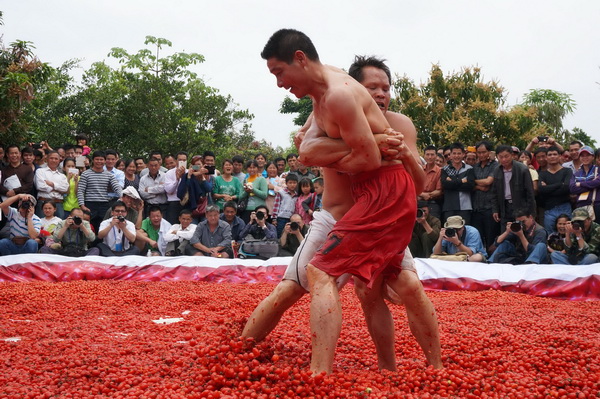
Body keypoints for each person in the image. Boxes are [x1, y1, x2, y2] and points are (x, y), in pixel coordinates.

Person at [261, 36, 435, 374]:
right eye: (372, 88)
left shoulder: (400, 126)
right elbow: (307, 150)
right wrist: (343, 145)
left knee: (406, 287)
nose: (381, 94)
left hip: (383, 213)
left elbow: (419, 184)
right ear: (357, 89)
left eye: (386, 87)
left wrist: (401, 155)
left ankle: (425, 366)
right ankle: (243, 346)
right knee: (295, 288)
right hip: (337, 217)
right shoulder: (332, 107)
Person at [77, 150, 122, 232]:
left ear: (104, 161)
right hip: (89, 204)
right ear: (93, 160)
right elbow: (80, 190)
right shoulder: (85, 174)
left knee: (103, 227)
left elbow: (117, 187)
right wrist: (82, 205)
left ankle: (101, 244)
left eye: (101, 159)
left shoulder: (109, 175)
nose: (99, 161)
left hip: (104, 205)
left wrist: (122, 197)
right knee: (88, 227)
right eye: (97, 159)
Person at [491, 145, 536, 227]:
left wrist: (531, 213)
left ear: (512, 155)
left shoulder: (522, 169)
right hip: (504, 207)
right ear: (497, 157)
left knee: (521, 232)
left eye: (506, 156)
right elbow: (494, 192)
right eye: (501, 157)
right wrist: (495, 210)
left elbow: (530, 192)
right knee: (506, 233)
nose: (504, 159)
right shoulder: (497, 170)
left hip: (521, 206)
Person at [471, 140, 499, 252]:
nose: (481, 155)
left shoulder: (495, 165)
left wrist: (474, 182)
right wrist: (478, 185)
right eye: (479, 152)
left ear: (489, 152)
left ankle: (492, 262)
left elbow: (488, 182)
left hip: (490, 208)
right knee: (477, 239)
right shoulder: (474, 167)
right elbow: (469, 185)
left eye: (484, 152)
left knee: (491, 238)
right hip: (476, 208)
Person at [538, 146, 573, 233]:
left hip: (565, 207)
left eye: (555, 154)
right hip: (549, 209)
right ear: (546, 157)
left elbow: (566, 188)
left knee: (569, 234)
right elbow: (542, 190)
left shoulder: (567, 171)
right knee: (550, 237)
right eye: (550, 155)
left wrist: (548, 187)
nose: (552, 156)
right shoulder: (542, 174)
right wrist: (560, 184)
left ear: (560, 156)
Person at [440, 142, 475, 224]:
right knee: (450, 232)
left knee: (465, 231)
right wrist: (462, 181)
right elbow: (445, 185)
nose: (456, 156)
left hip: (465, 207)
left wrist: (452, 182)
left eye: (459, 153)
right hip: (449, 206)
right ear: (450, 155)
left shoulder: (469, 169)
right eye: (454, 153)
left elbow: (470, 185)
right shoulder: (444, 169)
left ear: (463, 154)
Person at [34, 150, 69, 219]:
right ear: (47, 159)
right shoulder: (40, 171)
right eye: (51, 158)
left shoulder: (62, 176)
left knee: (59, 226)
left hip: (58, 203)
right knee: (41, 226)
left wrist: (52, 184)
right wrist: (58, 188)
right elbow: (40, 186)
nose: (53, 160)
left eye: (56, 159)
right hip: (43, 202)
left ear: (59, 161)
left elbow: (65, 189)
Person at [177, 155, 213, 222]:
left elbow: (209, 189)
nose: (197, 167)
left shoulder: (208, 176)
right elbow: (184, 189)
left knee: (205, 226)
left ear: (203, 165)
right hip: (191, 206)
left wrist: (202, 175)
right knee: (193, 227)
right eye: (195, 165)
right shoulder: (187, 175)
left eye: (199, 165)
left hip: (204, 206)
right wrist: (189, 176)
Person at [570, 145, 600, 223]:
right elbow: (572, 188)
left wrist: (580, 184)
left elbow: (597, 182)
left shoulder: (598, 170)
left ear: (593, 157)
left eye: (588, 155)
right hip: (581, 206)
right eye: (582, 156)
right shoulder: (576, 173)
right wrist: (591, 185)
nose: (585, 158)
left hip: (596, 205)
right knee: (583, 232)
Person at [418, 145, 443, 219]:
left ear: (436, 156)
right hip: (418, 201)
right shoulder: (420, 169)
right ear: (424, 155)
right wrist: (422, 194)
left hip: (433, 202)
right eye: (427, 154)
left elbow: (439, 191)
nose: (430, 157)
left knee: (433, 225)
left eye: (432, 154)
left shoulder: (440, 171)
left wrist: (427, 195)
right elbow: (414, 187)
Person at [163, 152, 188, 224]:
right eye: (180, 160)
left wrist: (185, 177)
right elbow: (169, 190)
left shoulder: (189, 172)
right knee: (172, 225)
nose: (182, 162)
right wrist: (177, 179)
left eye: (184, 160)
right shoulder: (169, 173)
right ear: (176, 161)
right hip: (173, 202)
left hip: (186, 202)